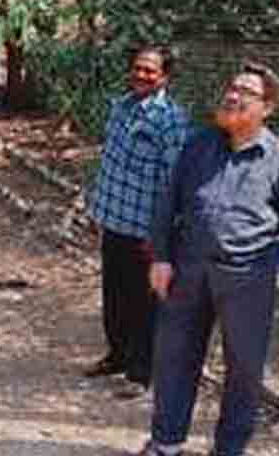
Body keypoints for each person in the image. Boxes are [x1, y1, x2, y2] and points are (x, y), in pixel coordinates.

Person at [140, 62, 279, 456]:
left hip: (246, 281)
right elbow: (167, 203)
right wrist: (161, 258)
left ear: (267, 107)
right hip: (188, 271)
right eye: (232, 87)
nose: (233, 95)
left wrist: (269, 263)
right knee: (174, 357)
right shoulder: (199, 146)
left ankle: (229, 448)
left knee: (244, 370)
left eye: (246, 92)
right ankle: (166, 442)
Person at [85, 45, 190, 399]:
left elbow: (174, 181)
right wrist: (97, 211)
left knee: (144, 304)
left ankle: (141, 372)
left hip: (145, 230)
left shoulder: (170, 120)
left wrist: (161, 234)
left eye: (150, 70)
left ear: (165, 77)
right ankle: (116, 356)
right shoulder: (121, 107)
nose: (142, 75)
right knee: (114, 296)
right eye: (138, 68)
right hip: (114, 220)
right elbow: (110, 163)